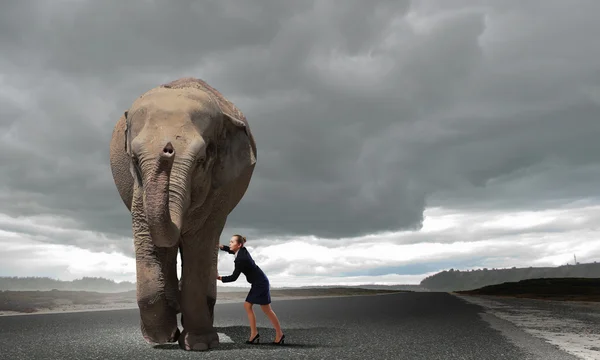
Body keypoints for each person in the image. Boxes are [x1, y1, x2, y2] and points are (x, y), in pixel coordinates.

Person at [217, 235, 285, 345]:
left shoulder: (240, 259)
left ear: (239, 245)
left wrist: (219, 278)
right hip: (260, 281)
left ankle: (257, 334)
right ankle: (275, 334)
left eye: (232, 242)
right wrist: (221, 246)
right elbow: (231, 250)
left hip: (260, 284)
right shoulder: (242, 250)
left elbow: (233, 277)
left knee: (250, 306)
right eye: (229, 242)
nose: (229, 243)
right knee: (265, 309)